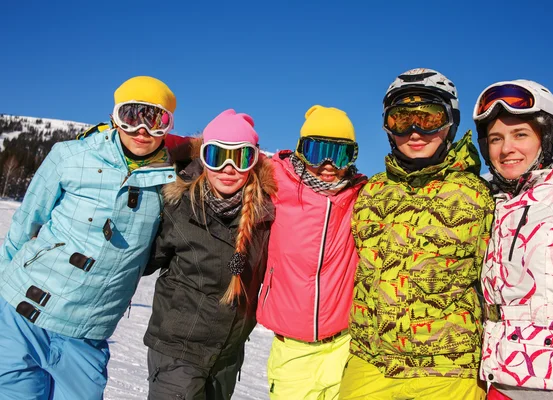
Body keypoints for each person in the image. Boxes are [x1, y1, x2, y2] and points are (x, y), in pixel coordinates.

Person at [0, 75, 177, 399]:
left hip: (87, 332)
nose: (142, 130)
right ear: (114, 116)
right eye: (131, 115)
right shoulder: (70, 155)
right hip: (21, 314)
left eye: (156, 121)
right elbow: (26, 223)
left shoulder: (171, 182)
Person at [340, 68, 495, 400]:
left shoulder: (477, 195)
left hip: (448, 371)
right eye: (401, 120)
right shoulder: (370, 193)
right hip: (372, 364)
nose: (414, 132)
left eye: (429, 119)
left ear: (450, 122)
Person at [473, 80, 553, 399]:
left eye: (520, 134)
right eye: (495, 138)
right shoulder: (497, 204)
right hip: (501, 381)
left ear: (547, 138)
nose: (506, 149)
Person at [143, 109, 277, 400]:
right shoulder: (178, 205)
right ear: (203, 158)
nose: (228, 168)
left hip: (226, 358)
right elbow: (141, 260)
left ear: (253, 162)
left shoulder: (266, 215)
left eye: (240, 158)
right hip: (177, 353)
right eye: (217, 156)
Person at [255, 105, 366, 399]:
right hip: (293, 349)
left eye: (340, 153)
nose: (329, 164)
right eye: (318, 151)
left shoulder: (360, 194)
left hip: (344, 345)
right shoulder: (275, 180)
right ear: (301, 151)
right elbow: (225, 157)